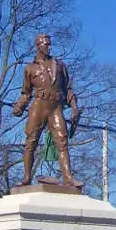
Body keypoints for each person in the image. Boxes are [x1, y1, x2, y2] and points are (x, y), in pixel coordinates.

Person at [12, 33, 81, 187]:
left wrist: (74, 107)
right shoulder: (30, 69)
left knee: (62, 141)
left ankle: (68, 177)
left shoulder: (60, 66)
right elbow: (26, 92)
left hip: (56, 107)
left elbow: (68, 89)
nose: (49, 47)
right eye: (46, 44)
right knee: (31, 141)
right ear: (38, 46)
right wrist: (19, 106)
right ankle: (27, 177)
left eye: (50, 44)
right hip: (39, 105)